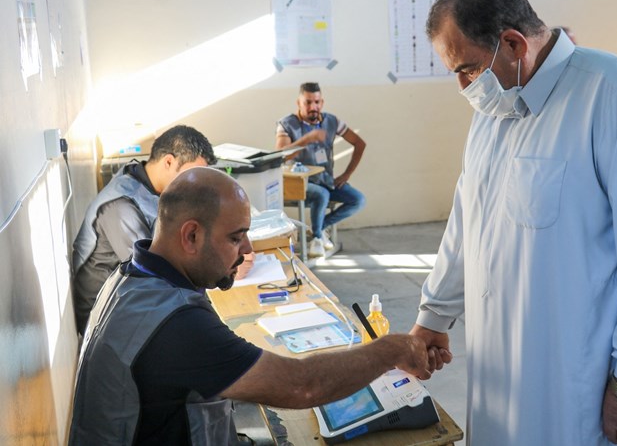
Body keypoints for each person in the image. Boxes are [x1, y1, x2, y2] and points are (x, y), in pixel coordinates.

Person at [409, 0, 617, 446]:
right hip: (505, 370)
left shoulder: (614, 94)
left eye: (467, 70)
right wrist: (433, 317)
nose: (463, 87)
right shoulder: (493, 112)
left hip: (580, 377)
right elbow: (467, 221)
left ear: (514, 44)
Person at [68, 167, 430, 445]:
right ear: (191, 235)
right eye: (236, 237)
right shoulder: (176, 326)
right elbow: (302, 386)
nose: (246, 252)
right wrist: (393, 348)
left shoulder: (128, 279)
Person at [71, 125, 217, 334]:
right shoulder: (121, 206)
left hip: (135, 299)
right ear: (168, 162)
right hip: (106, 320)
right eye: (192, 174)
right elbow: (152, 274)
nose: (196, 184)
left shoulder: (152, 185)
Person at [276, 82, 366, 258]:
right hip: (300, 183)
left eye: (316, 102)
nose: (313, 107)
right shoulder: (286, 124)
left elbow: (359, 143)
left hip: (326, 180)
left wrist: (347, 174)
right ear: (299, 103)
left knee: (358, 200)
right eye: (308, 102)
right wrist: (306, 140)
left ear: (322, 103)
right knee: (321, 195)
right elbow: (280, 155)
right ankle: (317, 237)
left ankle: (318, 228)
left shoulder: (332, 121)